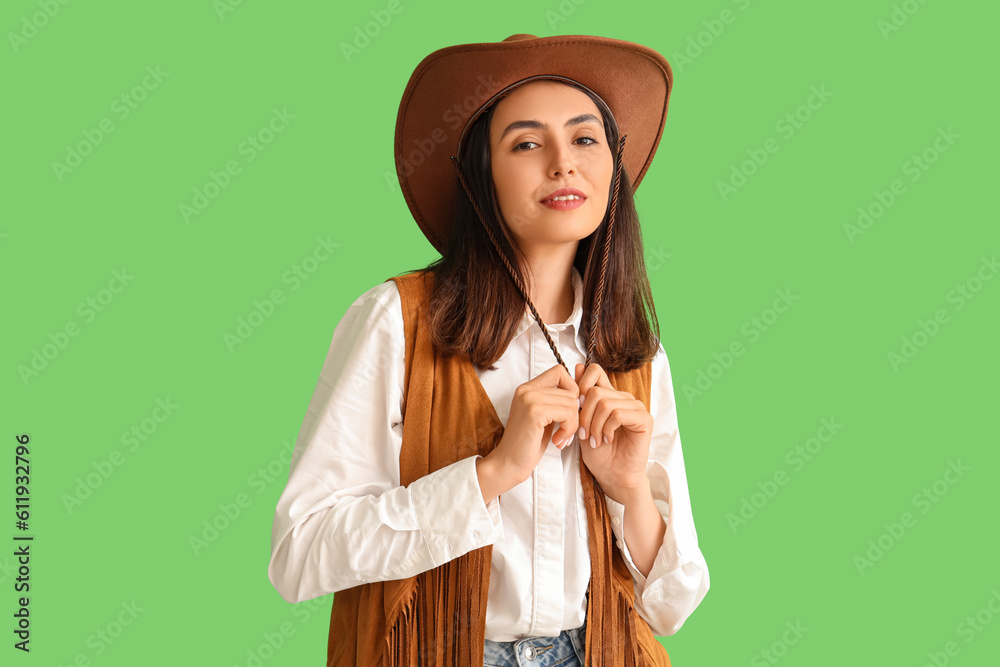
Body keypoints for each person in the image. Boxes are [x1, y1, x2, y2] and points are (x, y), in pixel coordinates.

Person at [267, 33, 710, 666]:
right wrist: (492, 472)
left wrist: (631, 490)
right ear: (481, 174)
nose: (563, 163)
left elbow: (673, 603)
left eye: (586, 138)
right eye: (526, 143)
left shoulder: (635, 352)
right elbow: (300, 554)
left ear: (613, 164)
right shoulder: (396, 321)